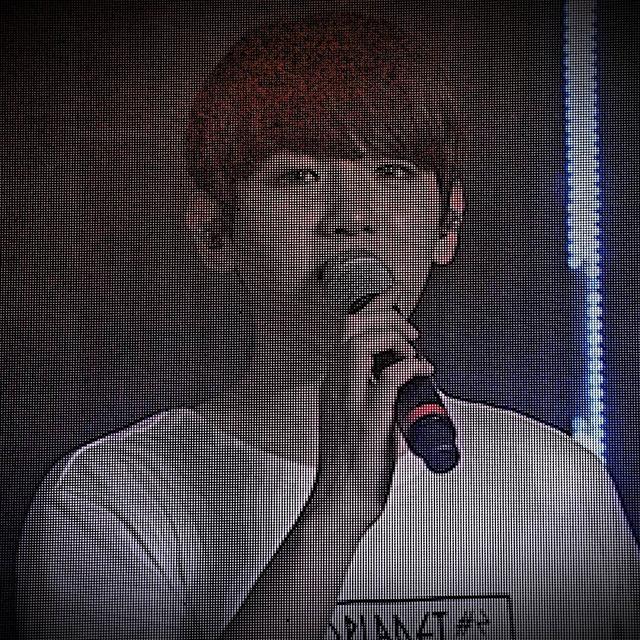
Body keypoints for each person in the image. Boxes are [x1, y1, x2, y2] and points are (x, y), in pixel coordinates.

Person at [15, 10, 640, 640]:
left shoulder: (552, 482)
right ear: (214, 229)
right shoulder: (107, 497)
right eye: (300, 175)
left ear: (447, 226)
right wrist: (340, 503)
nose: (351, 215)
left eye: (391, 172)